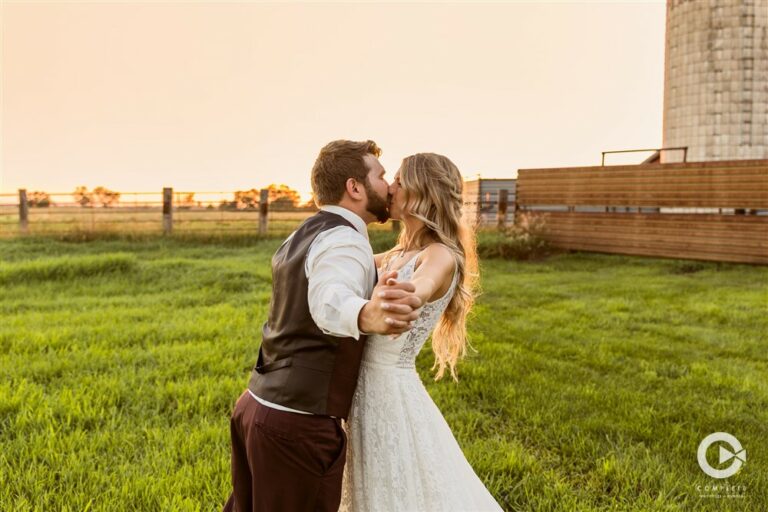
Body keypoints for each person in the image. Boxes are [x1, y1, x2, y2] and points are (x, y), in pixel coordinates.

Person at [223, 140, 422, 512]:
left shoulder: (306, 232)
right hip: (296, 428)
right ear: (355, 187)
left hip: (256, 407)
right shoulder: (343, 240)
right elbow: (331, 299)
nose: (389, 186)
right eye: (381, 176)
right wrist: (366, 315)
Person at [340, 153, 503, 511]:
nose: (390, 187)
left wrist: (406, 293)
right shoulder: (397, 252)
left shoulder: (441, 254)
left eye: (399, 179)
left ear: (423, 190)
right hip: (361, 391)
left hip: (390, 393)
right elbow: (347, 268)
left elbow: (423, 285)